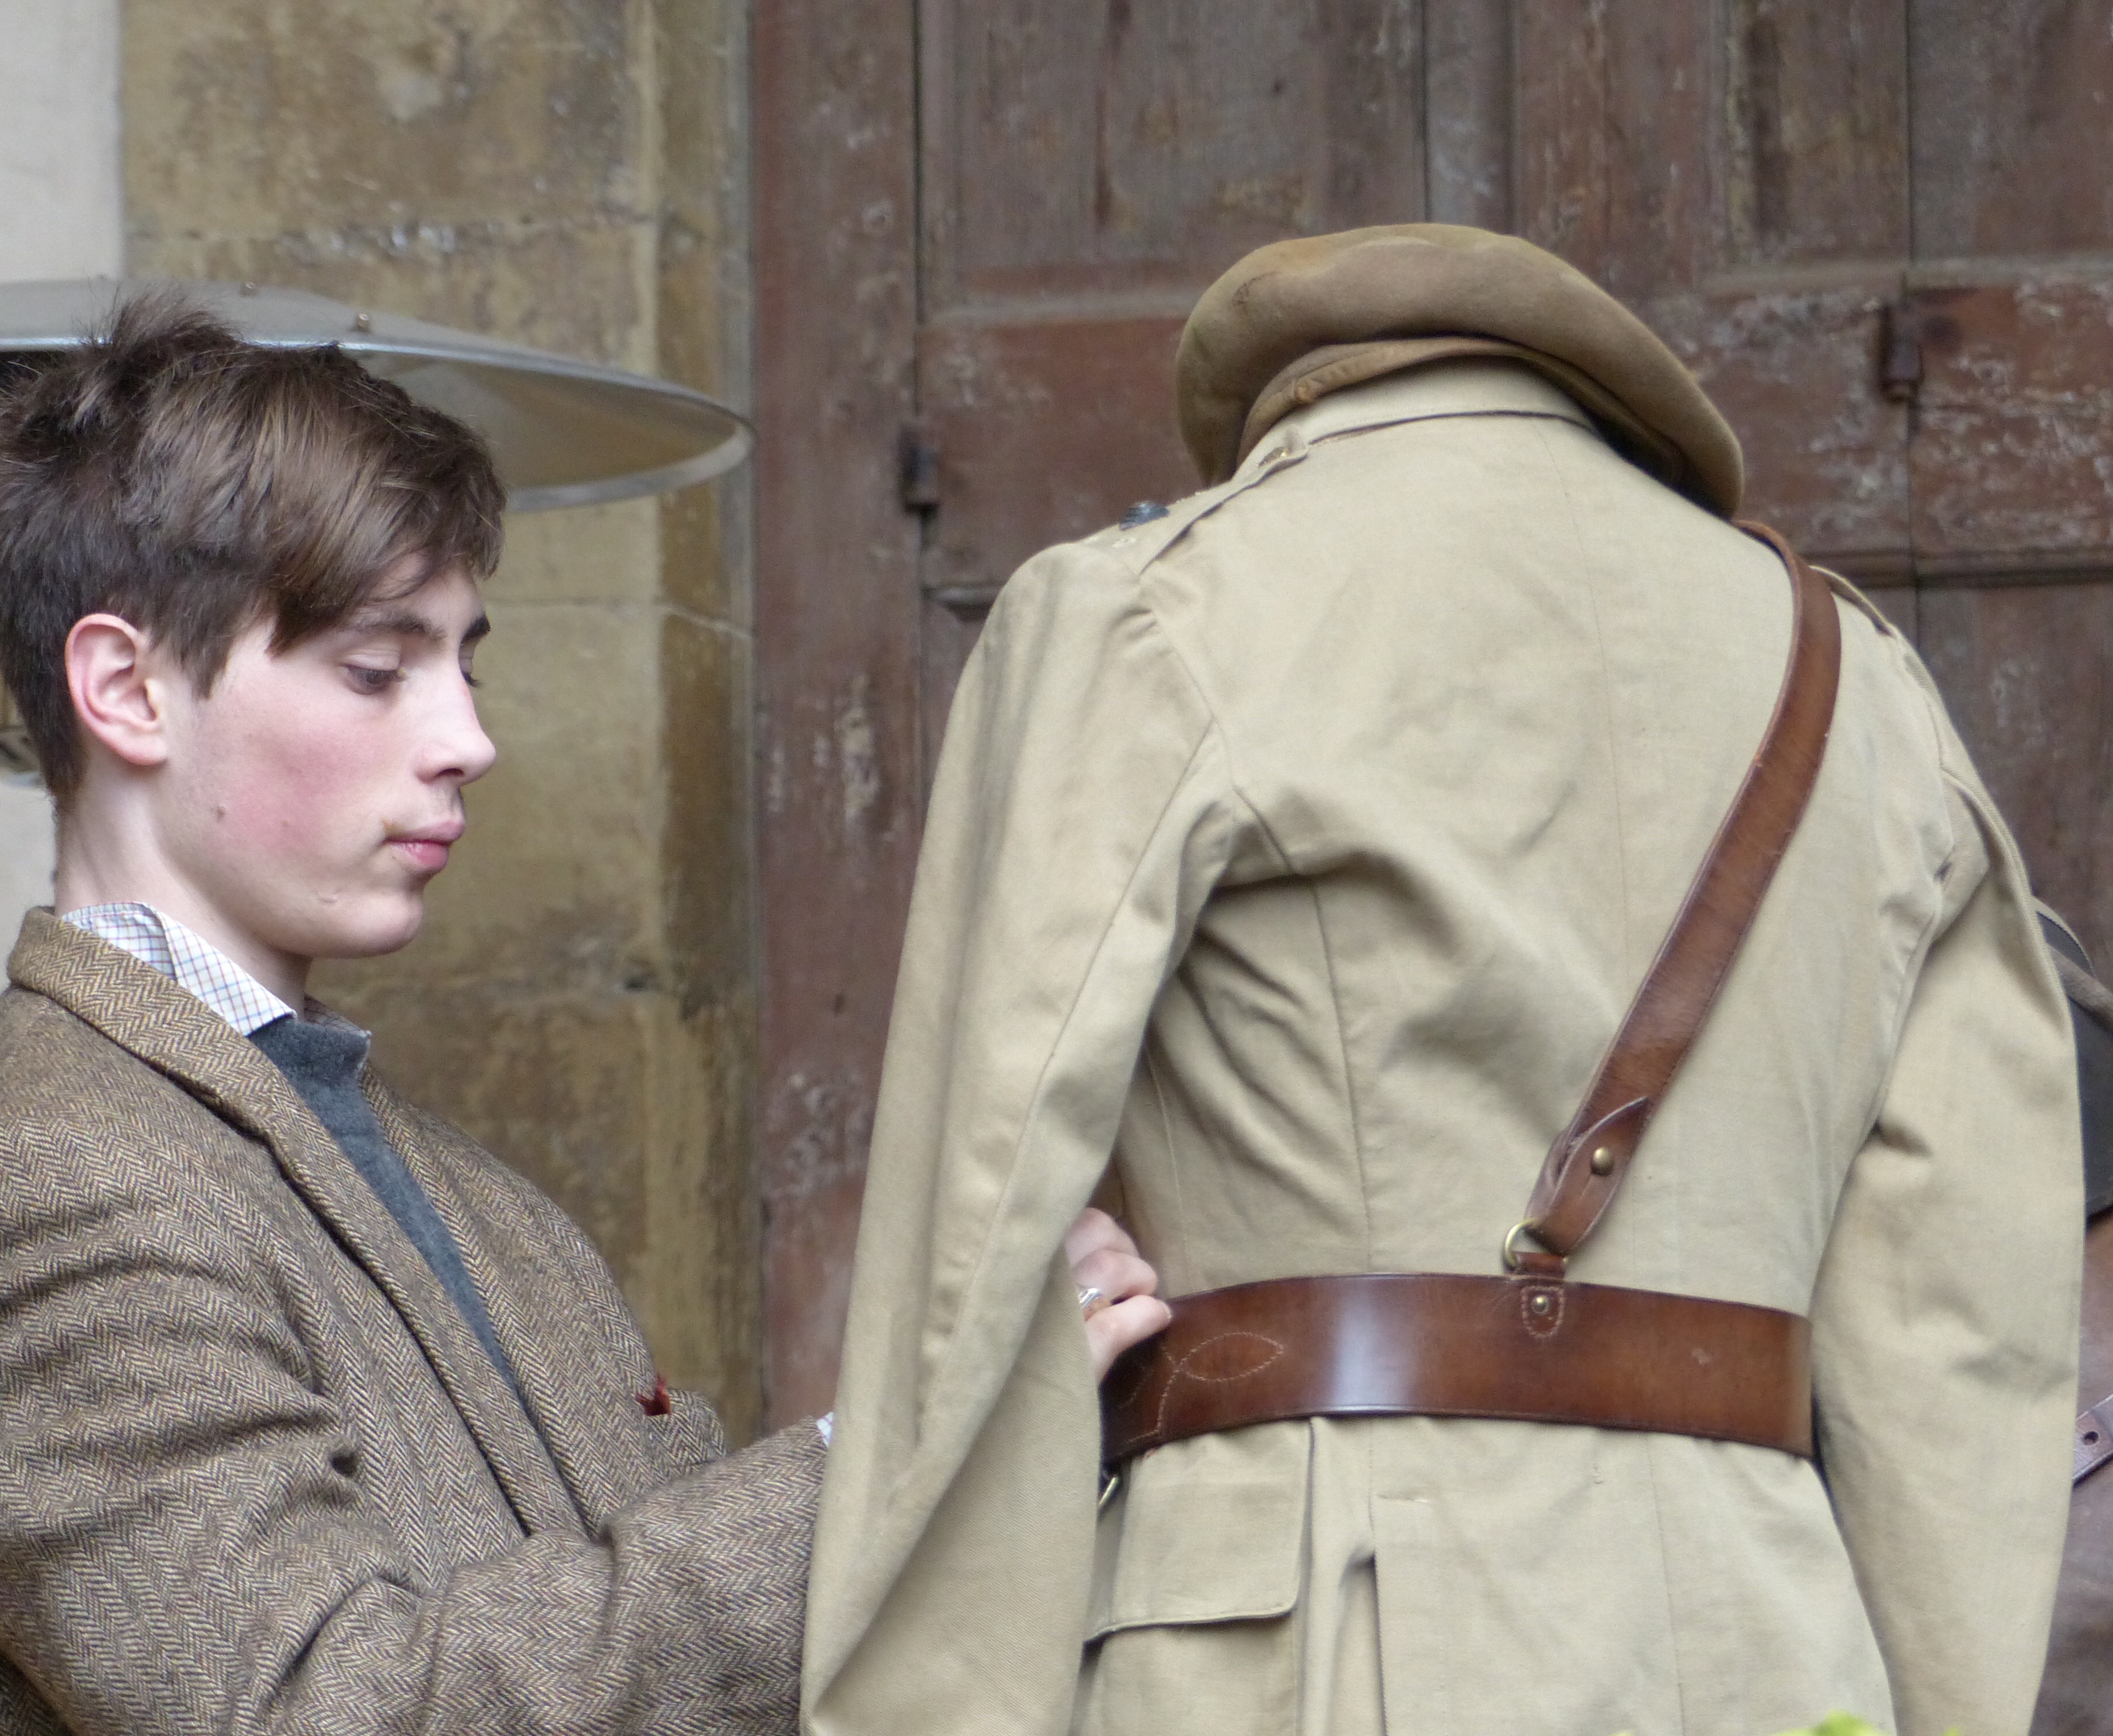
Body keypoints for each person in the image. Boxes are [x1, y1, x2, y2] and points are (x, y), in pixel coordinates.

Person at [803, 226, 2084, 1736]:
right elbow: (1963, 1324)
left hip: (1304, 1643)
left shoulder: (1148, 613)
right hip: (1769, 1643)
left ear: (1278, 403)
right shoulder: (1862, 683)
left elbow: (983, 1228)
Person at [0, 296, 1168, 1736]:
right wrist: (907, 1452)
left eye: (463, 661)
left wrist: (989, 1422)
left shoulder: (440, 1173)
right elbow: (323, 1712)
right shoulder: (50, 1189)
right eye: (376, 669)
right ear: (126, 689)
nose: (468, 739)